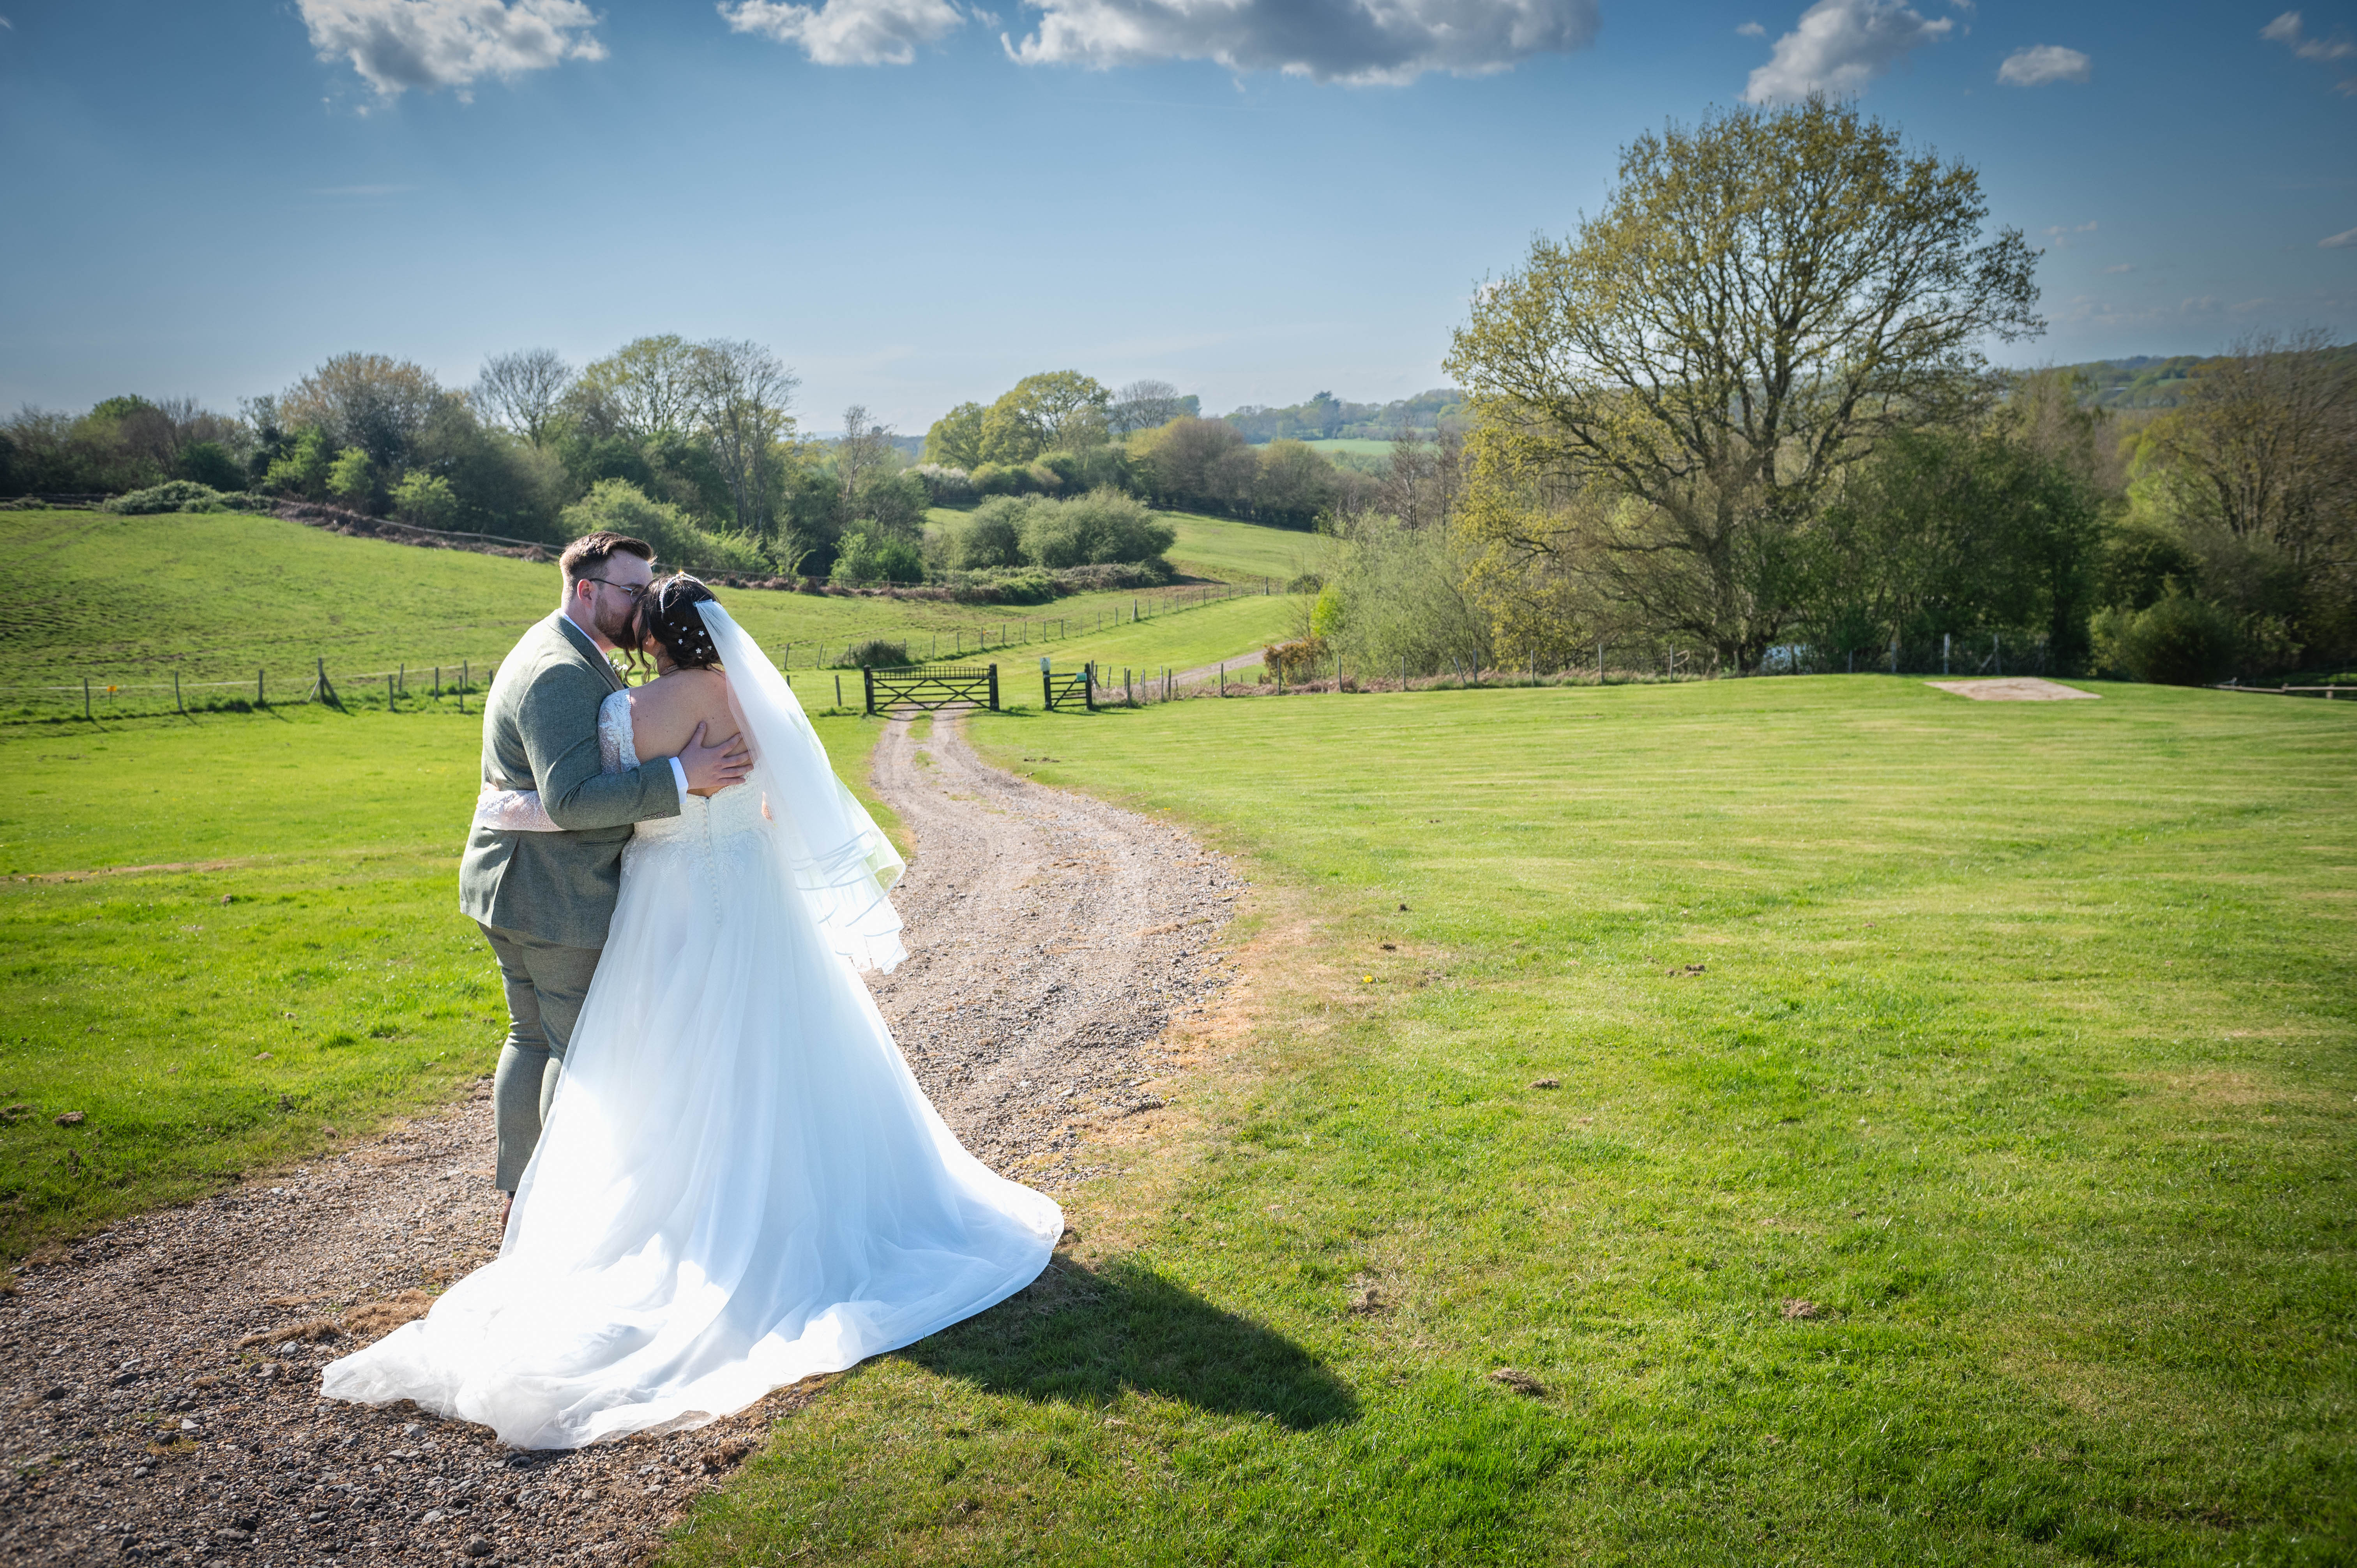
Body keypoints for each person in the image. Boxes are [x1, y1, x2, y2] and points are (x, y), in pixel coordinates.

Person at [322, 575, 1060, 1448]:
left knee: (662, 1062)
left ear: (652, 633)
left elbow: (588, 805)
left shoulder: (630, 714)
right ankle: (794, 1197)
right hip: (754, 890)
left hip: (666, 903)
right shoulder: (757, 698)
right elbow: (780, 800)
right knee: (784, 1044)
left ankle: (674, 1215)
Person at [461, 531, 753, 1219]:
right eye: (632, 589)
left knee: (530, 1036)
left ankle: (520, 1201)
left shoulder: (565, 649)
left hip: (518, 883)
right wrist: (683, 776)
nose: (643, 602)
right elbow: (570, 800)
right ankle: (561, 1212)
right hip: (551, 892)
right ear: (587, 590)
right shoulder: (561, 669)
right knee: (572, 1046)